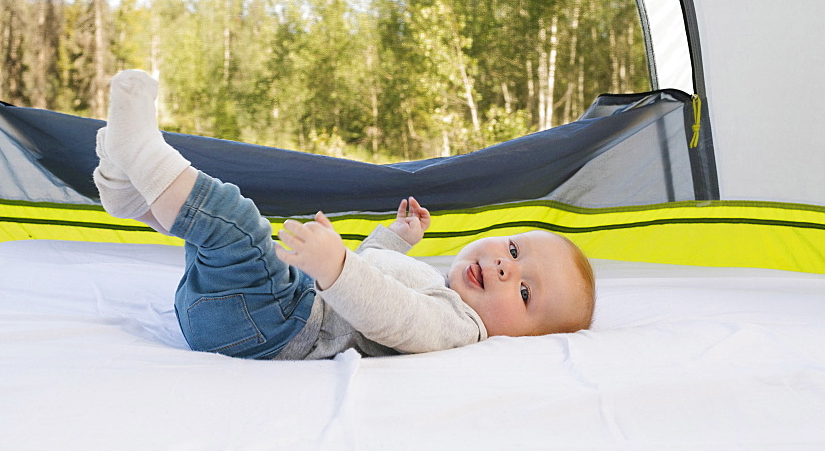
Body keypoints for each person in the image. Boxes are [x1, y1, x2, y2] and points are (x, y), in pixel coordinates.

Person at [94, 70, 596, 360]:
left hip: (276, 326)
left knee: (237, 224)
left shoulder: (459, 327)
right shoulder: (439, 284)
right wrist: (398, 236)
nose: (507, 267)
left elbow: (394, 315)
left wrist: (335, 268)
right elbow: (376, 269)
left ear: (523, 339)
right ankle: (133, 198)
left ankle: (140, 154)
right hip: (252, 314)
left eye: (525, 292)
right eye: (513, 249)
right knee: (219, 240)